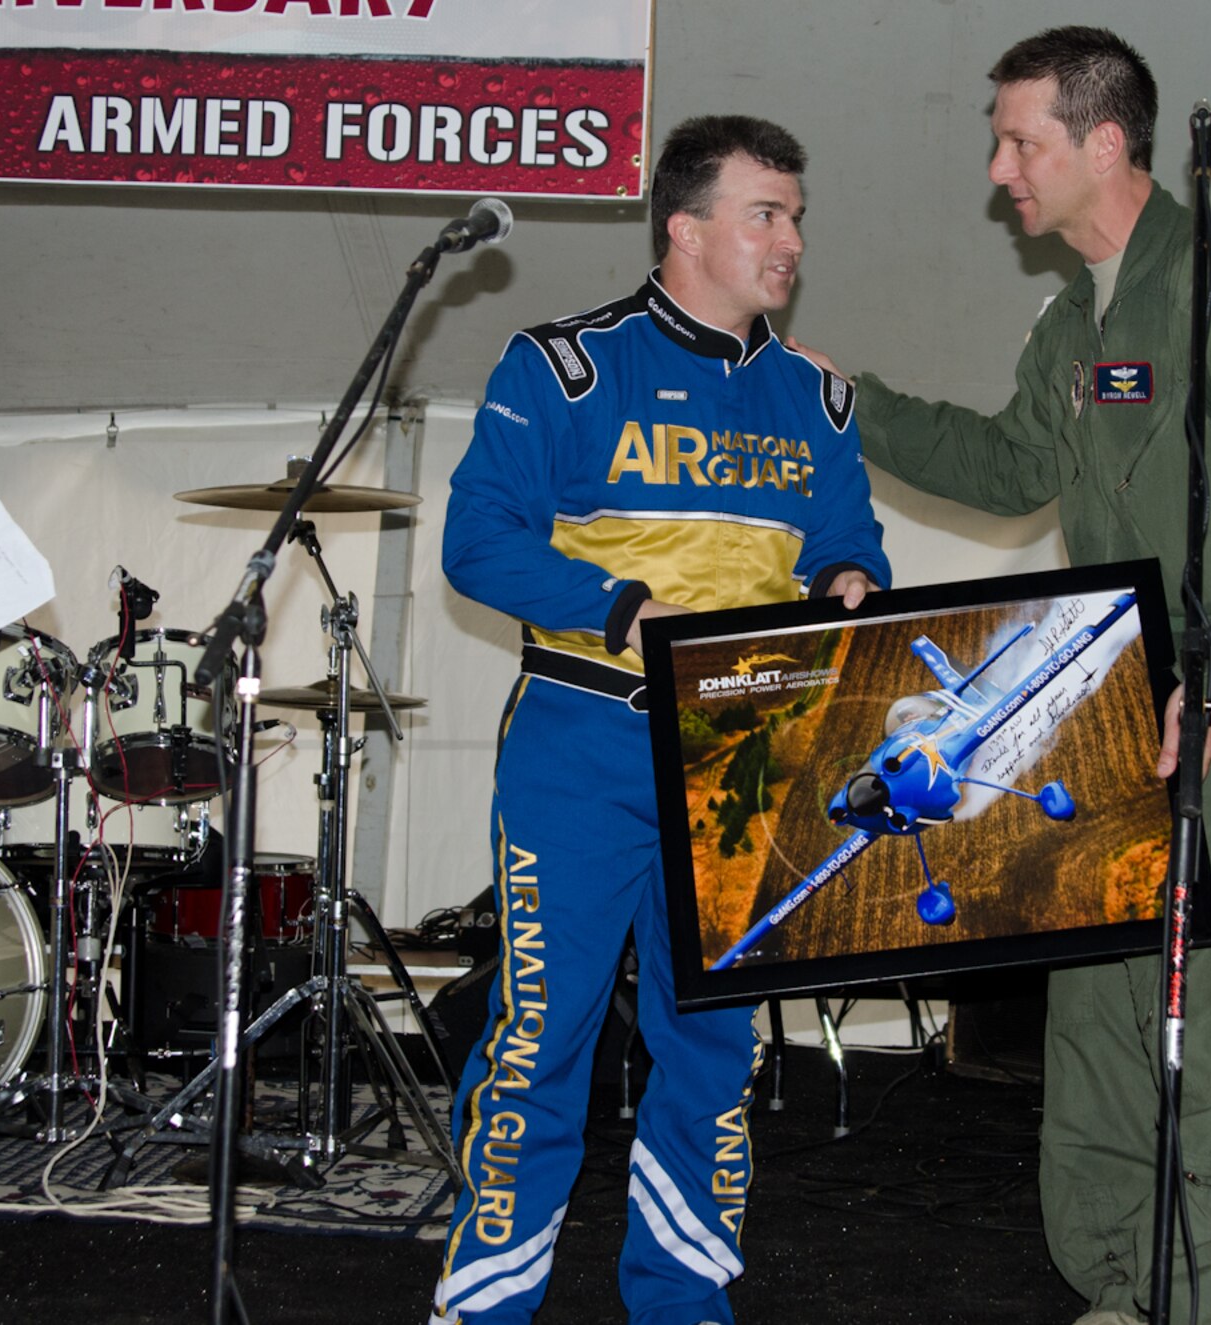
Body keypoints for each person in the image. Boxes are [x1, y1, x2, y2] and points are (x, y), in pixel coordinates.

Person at [791, 27, 1211, 1325]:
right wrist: (851, 404)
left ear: (1104, 142)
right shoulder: (1076, 317)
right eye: (1001, 141)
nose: (1001, 169)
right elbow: (1014, 468)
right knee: (1104, 1019)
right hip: (1104, 690)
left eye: (1022, 141)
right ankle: (1125, 1285)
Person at [430, 115, 890, 1325]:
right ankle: (481, 1307)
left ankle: (684, 1301)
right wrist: (620, 606)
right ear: (685, 228)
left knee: (711, 1059)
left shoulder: (818, 397)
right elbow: (476, 543)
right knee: (540, 1047)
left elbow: (851, 545)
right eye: (765, 214)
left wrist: (853, 584)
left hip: (748, 757)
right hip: (584, 747)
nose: (789, 238)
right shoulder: (561, 367)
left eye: (794, 215)